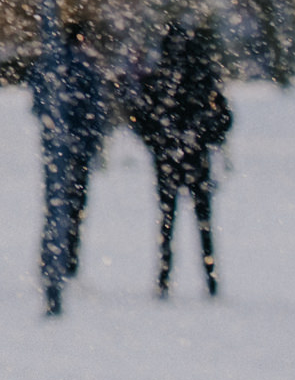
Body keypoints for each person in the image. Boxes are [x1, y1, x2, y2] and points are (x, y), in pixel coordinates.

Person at [124, 19, 232, 298]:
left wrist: (161, 141)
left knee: (169, 220)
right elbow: (222, 119)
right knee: (200, 221)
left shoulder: (161, 77)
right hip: (194, 160)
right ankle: (208, 279)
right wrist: (199, 137)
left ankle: (166, 276)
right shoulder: (201, 77)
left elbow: (139, 118)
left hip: (169, 160)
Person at [58, 22, 112, 278]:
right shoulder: (89, 66)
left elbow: (40, 103)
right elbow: (98, 108)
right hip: (81, 145)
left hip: (58, 147)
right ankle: (70, 255)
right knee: (77, 202)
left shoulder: (54, 64)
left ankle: (56, 252)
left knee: (56, 201)